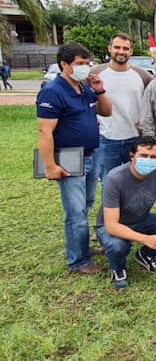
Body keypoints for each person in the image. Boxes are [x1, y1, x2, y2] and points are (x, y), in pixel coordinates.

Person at [36, 43, 112, 275]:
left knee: (86, 204)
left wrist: (99, 90)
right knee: (76, 211)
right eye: (79, 64)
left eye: (86, 63)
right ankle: (79, 261)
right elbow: (45, 132)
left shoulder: (84, 88)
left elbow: (106, 112)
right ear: (64, 64)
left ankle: (82, 247)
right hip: (68, 156)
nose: (84, 68)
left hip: (92, 154)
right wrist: (49, 166)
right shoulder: (53, 91)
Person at [95, 137, 156, 289]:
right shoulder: (114, 178)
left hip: (142, 219)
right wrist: (145, 238)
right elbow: (111, 226)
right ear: (132, 156)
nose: (148, 160)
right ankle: (118, 269)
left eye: (153, 157)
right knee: (118, 246)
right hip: (114, 225)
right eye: (143, 156)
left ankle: (146, 255)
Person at [90, 33, 152, 180]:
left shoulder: (142, 75)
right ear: (110, 48)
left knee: (135, 182)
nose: (121, 51)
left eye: (126, 48)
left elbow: (153, 101)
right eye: (117, 47)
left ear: (131, 51)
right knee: (109, 183)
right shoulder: (95, 74)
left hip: (135, 138)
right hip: (106, 139)